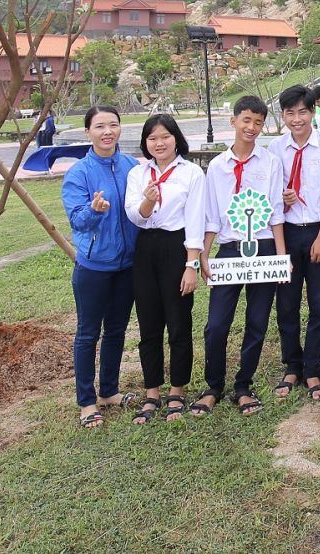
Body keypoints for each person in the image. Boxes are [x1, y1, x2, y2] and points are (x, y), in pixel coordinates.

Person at [187, 95, 286, 418]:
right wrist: (204, 255)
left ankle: (243, 385)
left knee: (257, 321)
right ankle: (213, 386)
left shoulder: (270, 162)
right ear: (233, 121)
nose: (252, 127)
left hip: (263, 248)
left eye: (258, 122)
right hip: (229, 250)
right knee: (216, 324)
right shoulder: (217, 166)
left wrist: (281, 257)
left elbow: (276, 211)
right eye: (246, 120)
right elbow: (212, 215)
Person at [61, 105, 140, 429]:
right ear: (88, 132)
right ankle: (86, 401)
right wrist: (94, 210)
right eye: (99, 126)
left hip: (128, 266)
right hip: (93, 268)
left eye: (113, 125)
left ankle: (109, 391)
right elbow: (77, 220)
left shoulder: (132, 166)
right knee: (87, 334)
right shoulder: (79, 173)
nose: (108, 132)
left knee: (117, 331)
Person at [124, 114, 203, 424]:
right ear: (146, 143)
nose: (159, 143)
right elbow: (135, 215)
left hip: (176, 246)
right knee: (149, 324)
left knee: (179, 322)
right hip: (146, 248)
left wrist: (191, 265)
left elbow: (195, 219)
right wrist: (147, 201)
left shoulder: (191, 172)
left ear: (176, 138)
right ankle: (152, 391)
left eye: (165, 137)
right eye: (152, 138)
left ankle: (177, 390)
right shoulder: (138, 173)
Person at [269, 85, 320, 402]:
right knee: (286, 303)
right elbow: (269, 194)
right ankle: (292, 365)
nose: (296, 119)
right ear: (283, 115)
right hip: (285, 232)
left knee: (319, 302)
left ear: (313, 112)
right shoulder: (275, 148)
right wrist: (282, 198)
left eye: (302, 112)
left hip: (318, 230)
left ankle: (312, 367)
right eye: (290, 113)